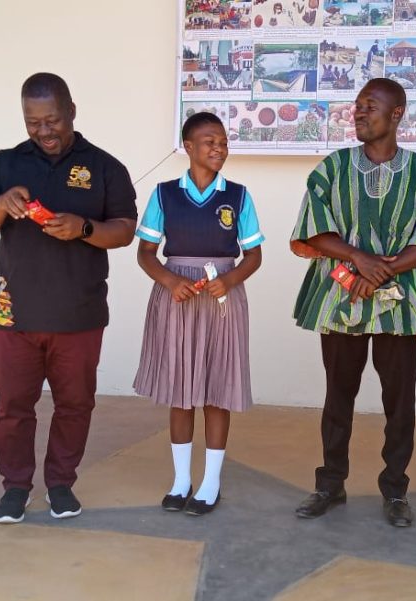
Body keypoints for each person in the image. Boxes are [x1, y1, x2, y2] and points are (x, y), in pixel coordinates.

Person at [0, 73, 137, 524]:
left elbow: (124, 230)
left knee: (75, 405)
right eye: (33, 122)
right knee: (12, 407)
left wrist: (83, 228)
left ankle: (60, 484)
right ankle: (15, 487)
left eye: (52, 120)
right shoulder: (4, 164)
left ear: (72, 111)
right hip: (14, 312)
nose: (44, 131)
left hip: (79, 312)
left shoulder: (105, 167)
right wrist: (1, 203)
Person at [290, 78, 416, 528]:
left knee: (400, 401)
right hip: (340, 296)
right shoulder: (333, 168)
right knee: (338, 396)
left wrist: (382, 269)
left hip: (399, 304)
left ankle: (396, 489)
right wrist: (359, 259)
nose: (359, 112)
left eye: (370, 105)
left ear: (397, 113)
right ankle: (330, 484)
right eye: (357, 105)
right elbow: (312, 229)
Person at [134, 112, 264, 516]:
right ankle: (181, 480)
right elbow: (145, 252)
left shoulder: (238, 196)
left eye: (223, 141)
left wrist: (230, 279)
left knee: (216, 391)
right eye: (210, 141)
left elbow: (254, 255)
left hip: (222, 299)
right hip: (178, 298)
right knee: (181, 391)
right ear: (188, 147)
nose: (219, 148)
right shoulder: (164, 195)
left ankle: (210, 482)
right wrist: (170, 280)